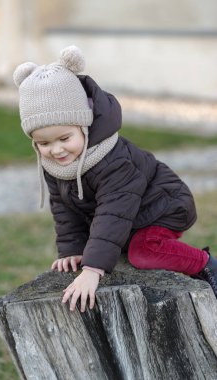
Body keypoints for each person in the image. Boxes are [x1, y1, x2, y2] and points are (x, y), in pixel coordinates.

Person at [13, 45, 217, 313]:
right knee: (118, 247)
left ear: (84, 125)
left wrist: (92, 269)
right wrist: (73, 249)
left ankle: (206, 264)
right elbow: (64, 207)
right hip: (130, 215)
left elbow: (113, 211)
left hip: (161, 205)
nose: (56, 150)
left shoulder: (113, 161)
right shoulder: (55, 163)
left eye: (64, 138)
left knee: (142, 252)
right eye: (43, 143)